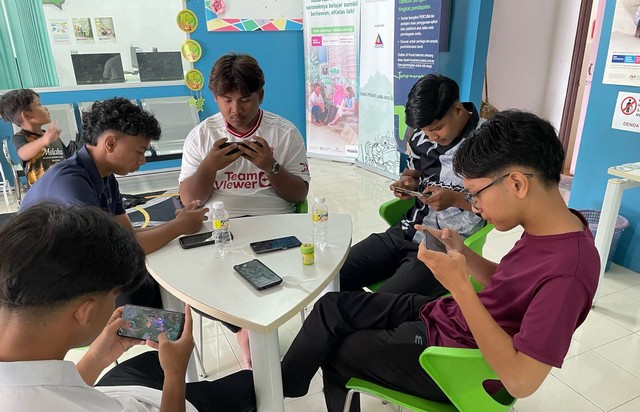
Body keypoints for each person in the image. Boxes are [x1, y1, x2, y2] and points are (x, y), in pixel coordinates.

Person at [281, 110, 600, 412]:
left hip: (458, 362)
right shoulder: (549, 228)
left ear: (517, 184)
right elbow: (511, 288)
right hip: (448, 320)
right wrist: (463, 253)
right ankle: (279, 392)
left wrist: (461, 288)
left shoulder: (568, 273)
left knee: (339, 348)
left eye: (476, 195)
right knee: (332, 307)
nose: (475, 208)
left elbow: (521, 381)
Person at [0, 203, 256, 412]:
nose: (115, 303)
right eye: (114, 296)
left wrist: (96, 358)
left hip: (116, 405)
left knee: (151, 360)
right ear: (85, 311)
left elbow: (50, 393)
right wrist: (174, 377)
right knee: (257, 385)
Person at [179, 53, 310, 368]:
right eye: (226, 100)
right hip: (220, 226)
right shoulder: (203, 135)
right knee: (193, 283)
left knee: (271, 277)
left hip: (273, 223)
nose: (235, 110)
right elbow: (189, 199)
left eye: (245, 100)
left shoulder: (284, 132)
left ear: (260, 96)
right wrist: (209, 166)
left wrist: (270, 166)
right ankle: (242, 328)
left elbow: (299, 194)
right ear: (215, 98)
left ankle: (253, 326)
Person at [20, 97, 208, 308]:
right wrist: (178, 227)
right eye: (139, 152)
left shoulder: (105, 177)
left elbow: (126, 236)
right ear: (110, 143)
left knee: (148, 281)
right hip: (39, 282)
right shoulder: (71, 183)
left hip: (71, 262)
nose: (142, 160)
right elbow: (114, 252)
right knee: (136, 289)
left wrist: (177, 223)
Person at [339, 74, 484, 296]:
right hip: (408, 231)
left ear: (457, 109)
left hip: (448, 246)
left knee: (383, 303)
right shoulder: (420, 137)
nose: (431, 137)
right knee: (336, 274)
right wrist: (407, 183)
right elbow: (412, 173)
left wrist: (454, 199)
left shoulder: (487, 142)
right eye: (425, 131)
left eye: (437, 128)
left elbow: (498, 204)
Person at [0, 89, 66, 186]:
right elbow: (23, 153)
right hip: (40, 192)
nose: (45, 108)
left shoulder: (50, 136)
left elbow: (67, 158)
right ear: (26, 115)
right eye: (39, 104)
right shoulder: (20, 137)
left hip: (60, 186)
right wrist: (44, 140)